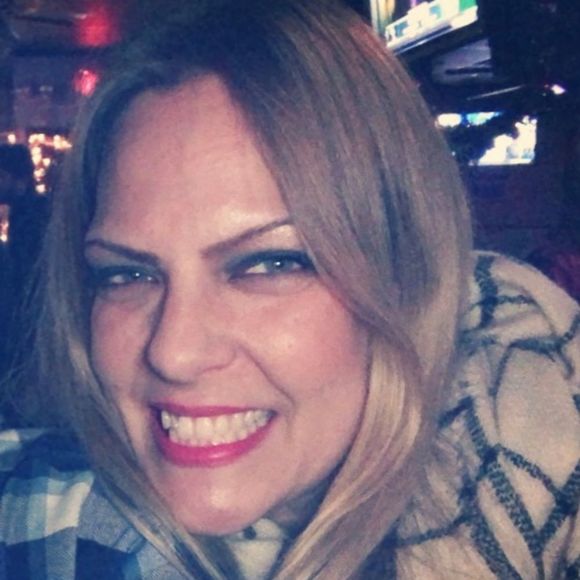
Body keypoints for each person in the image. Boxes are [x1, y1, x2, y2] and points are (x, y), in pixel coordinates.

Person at [0, 0, 578, 577]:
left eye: (270, 263)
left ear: (407, 280)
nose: (174, 353)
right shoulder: (46, 526)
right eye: (127, 275)